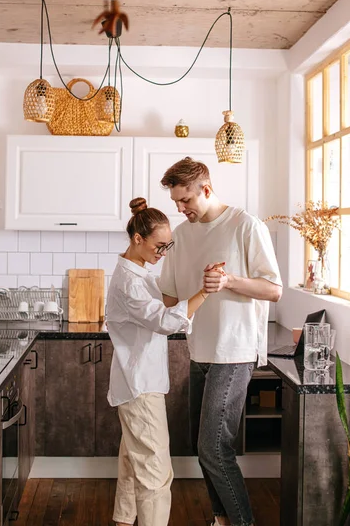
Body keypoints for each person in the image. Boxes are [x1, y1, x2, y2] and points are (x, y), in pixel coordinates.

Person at [158, 157, 283, 526]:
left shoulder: (246, 226)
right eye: (176, 203)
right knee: (203, 449)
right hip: (199, 350)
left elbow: (274, 290)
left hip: (235, 350)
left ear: (206, 190)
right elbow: (168, 295)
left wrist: (228, 282)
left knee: (214, 447)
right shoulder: (181, 235)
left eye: (185, 201)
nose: (180, 209)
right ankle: (221, 519)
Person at [106, 197, 216, 526]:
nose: (162, 252)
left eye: (167, 246)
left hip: (137, 382)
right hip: (139, 386)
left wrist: (193, 280)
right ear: (138, 239)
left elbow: (168, 302)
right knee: (155, 471)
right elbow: (166, 322)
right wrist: (206, 292)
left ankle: (124, 521)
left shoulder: (140, 274)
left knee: (133, 463)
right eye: (159, 246)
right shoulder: (130, 282)